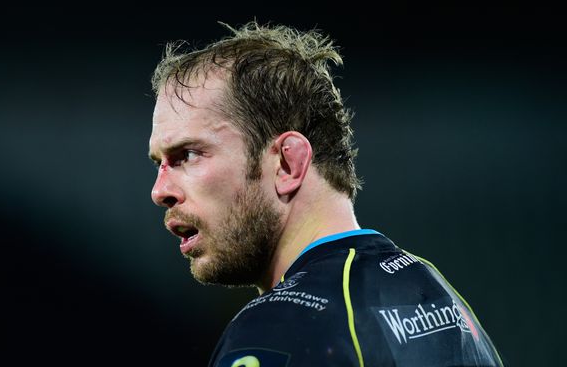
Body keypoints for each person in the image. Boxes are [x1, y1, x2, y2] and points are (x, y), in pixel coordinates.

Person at [147, 22, 504, 366]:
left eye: (188, 155)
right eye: (158, 163)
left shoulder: (279, 327)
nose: (159, 191)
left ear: (288, 164)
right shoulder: (439, 298)